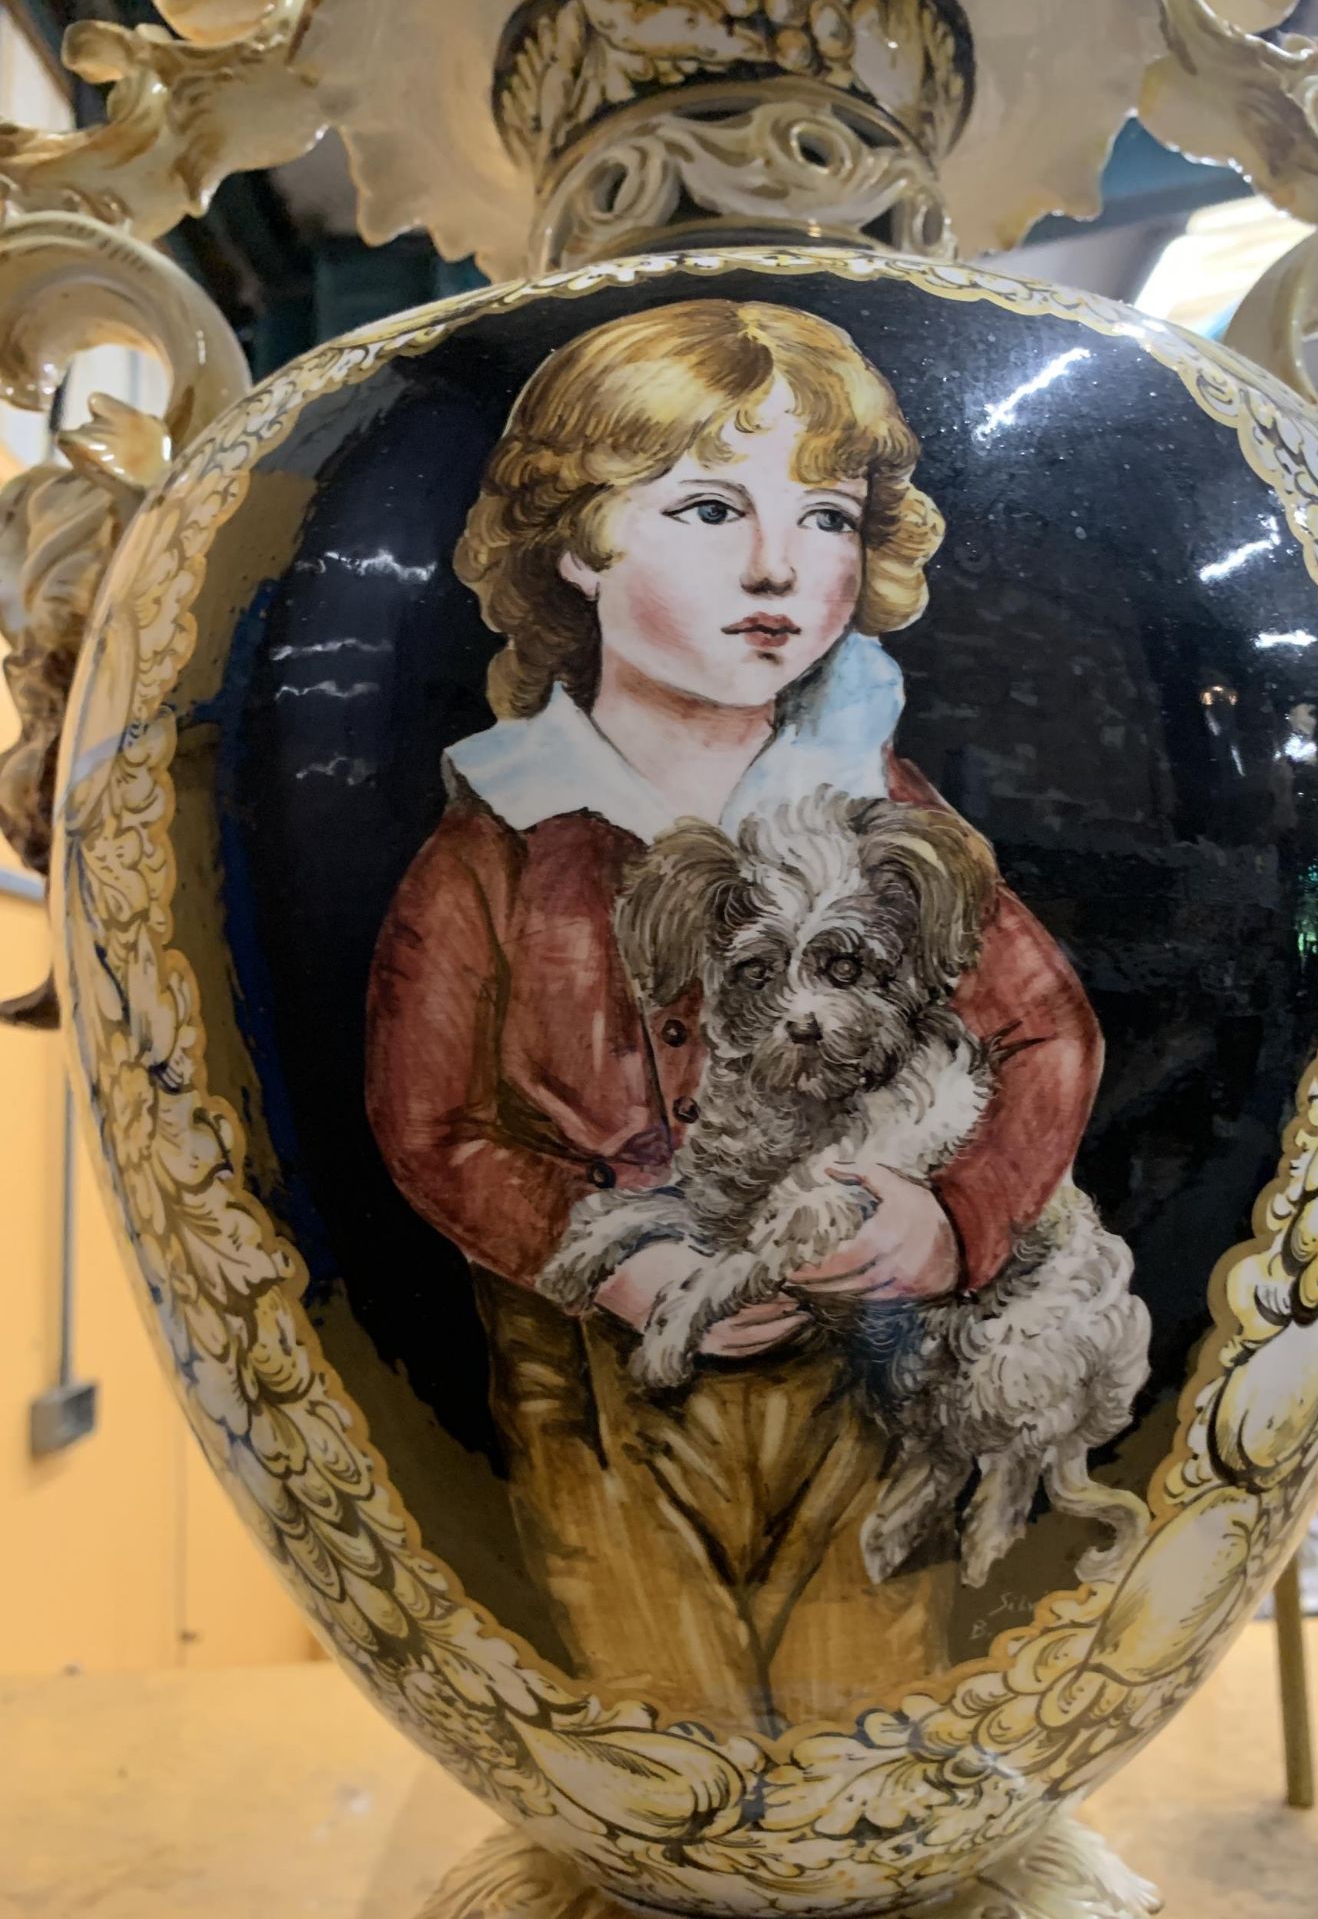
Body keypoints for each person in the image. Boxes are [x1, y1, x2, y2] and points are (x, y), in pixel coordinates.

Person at [365, 300, 1102, 1734]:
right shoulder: (502, 840)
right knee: (651, 1697)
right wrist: (607, 1265)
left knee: (872, 1688)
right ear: (577, 543)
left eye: (827, 520)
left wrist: (953, 1218)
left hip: (870, 1366)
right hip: (599, 1380)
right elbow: (431, 1125)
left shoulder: (883, 810)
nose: (778, 563)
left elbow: (1046, 1034)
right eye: (709, 508)